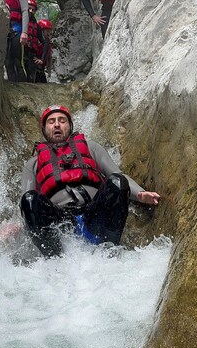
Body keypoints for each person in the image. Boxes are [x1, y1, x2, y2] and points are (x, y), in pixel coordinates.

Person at [19, 105, 160, 257]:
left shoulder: (91, 147)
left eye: (62, 120)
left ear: (70, 126)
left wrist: (140, 193)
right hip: (58, 220)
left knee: (116, 181)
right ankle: (56, 259)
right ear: (44, 129)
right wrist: (15, 225)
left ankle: (110, 252)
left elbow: (117, 174)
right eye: (51, 121)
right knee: (29, 199)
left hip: (94, 212)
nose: (57, 124)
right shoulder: (33, 164)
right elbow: (26, 201)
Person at [0, 0, 29, 82]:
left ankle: (24, 87)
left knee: (18, 60)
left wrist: (24, 32)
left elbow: (25, 11)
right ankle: (13, 88)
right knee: (7, 61)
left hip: (17, 28)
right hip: (4, 29)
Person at [24, 0, 48, 83]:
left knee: (31, 80)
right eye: (29, 8)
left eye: (33, 10)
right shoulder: (18, 21)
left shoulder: (36, 26)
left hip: (31, 56)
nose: (31, 11)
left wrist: (42, 59)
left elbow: (45, 42)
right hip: (19, 53)